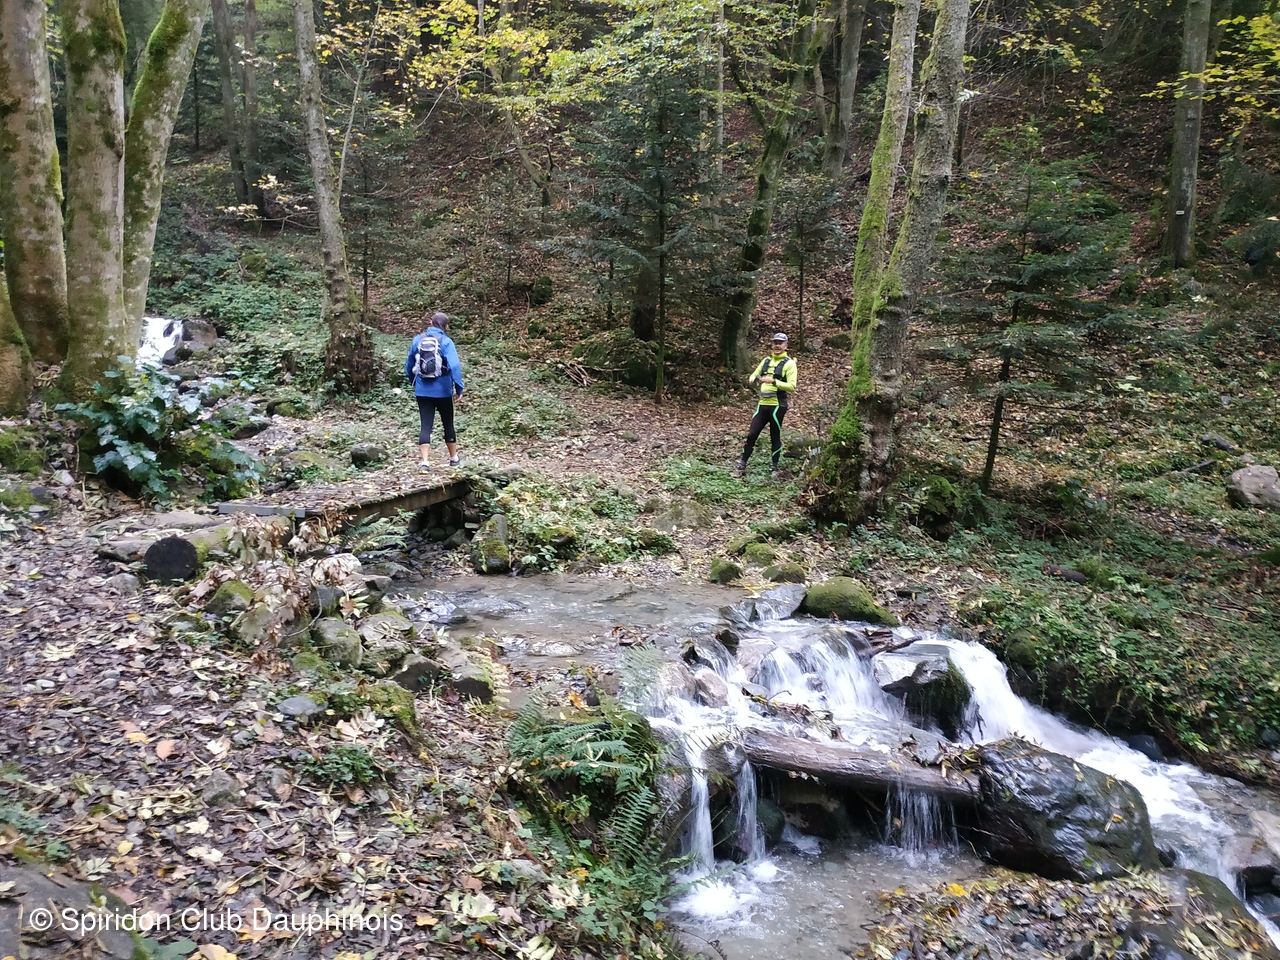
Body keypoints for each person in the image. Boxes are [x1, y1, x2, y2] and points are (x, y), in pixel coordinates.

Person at [405, 312, 465, 472]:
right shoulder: (446, 342)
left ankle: (425, 462)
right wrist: (459, 388)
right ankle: (453, 458)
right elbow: (454, 366)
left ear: (431, 323)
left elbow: (409, 364)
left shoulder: (417, 340)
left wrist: (413, 381)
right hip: (443, 390)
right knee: (448, 422)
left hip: (422, 390)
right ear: (446, 326)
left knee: (425, 425)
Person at [737, 332, 797, 478]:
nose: (777, 345)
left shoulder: (789, 364)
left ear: (786, 346)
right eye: (775, 342)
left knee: (774, 435)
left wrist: (774, 381)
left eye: (780, 343)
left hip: (778, 405)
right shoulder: (766, 360)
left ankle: (774, 465)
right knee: (752, 434)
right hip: (762, 404)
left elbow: (791, 386)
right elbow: (755, 373)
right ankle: (743, 463)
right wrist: (753, 378)